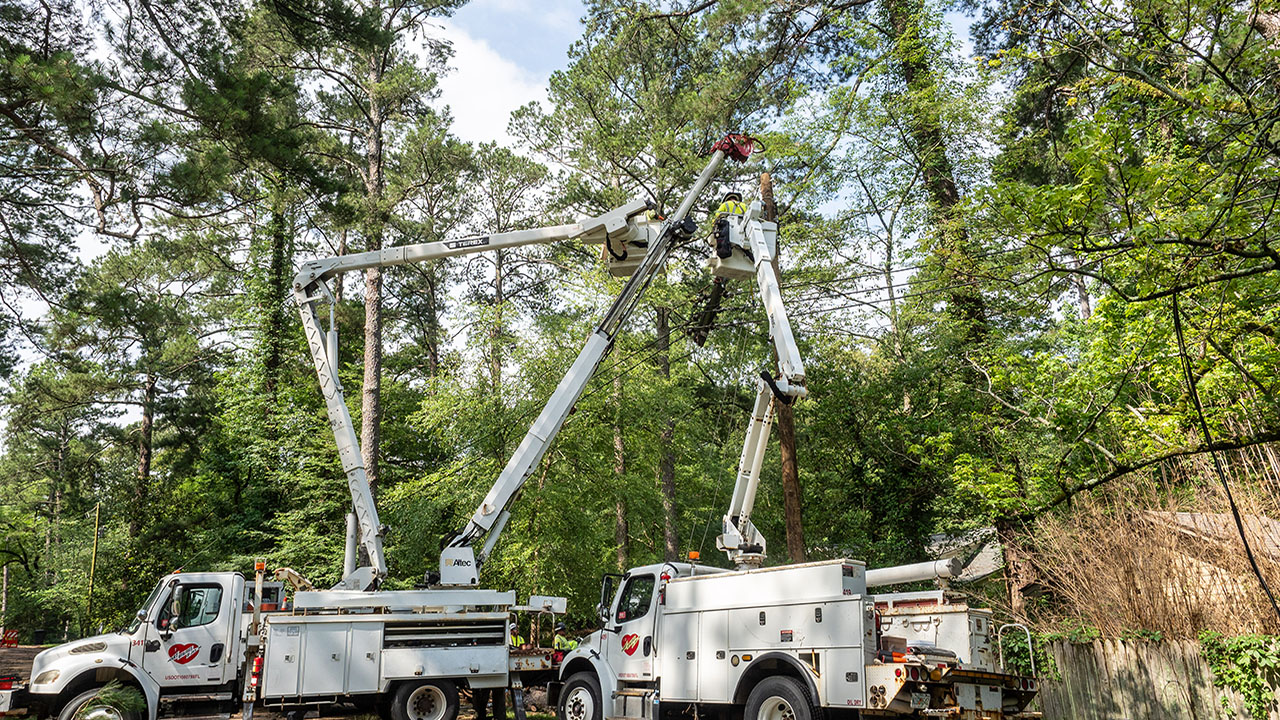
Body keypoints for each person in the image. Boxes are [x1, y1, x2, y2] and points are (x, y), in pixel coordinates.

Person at [712, 191, 747, 259]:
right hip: (743, 229)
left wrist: (713, 224)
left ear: (727, 199)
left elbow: (717, 215)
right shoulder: (744, 205)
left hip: (729, 230)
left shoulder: (725, 204)